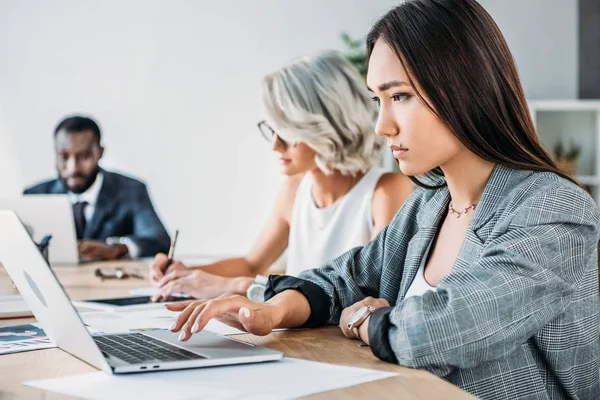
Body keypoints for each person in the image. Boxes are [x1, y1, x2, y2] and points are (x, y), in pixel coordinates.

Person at [165, 1, 600, 399]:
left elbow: (446, 328)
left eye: (400, 97)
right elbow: (345, 278)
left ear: (465, 88)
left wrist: (363, 321)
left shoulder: (554, 208)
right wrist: (271, 311)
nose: (382, 125)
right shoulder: (429, 204)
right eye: (379, 100)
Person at [149, 50, 413, 301]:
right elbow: (252, 264)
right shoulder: (294, 189)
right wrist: (186, 274)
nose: (276, 145)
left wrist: (237, 287)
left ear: (328, 126)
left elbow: (367, 293)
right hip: (301, 338)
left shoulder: (386, 191)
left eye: (287, 132)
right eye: (272, 130)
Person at [24, 116, 171, 261]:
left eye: (84, 156)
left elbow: (159, 240)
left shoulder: (130, 190)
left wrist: (118, 248)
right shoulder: (35, 195)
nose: (73, 168)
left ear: (100, 153)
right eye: (64, 156)